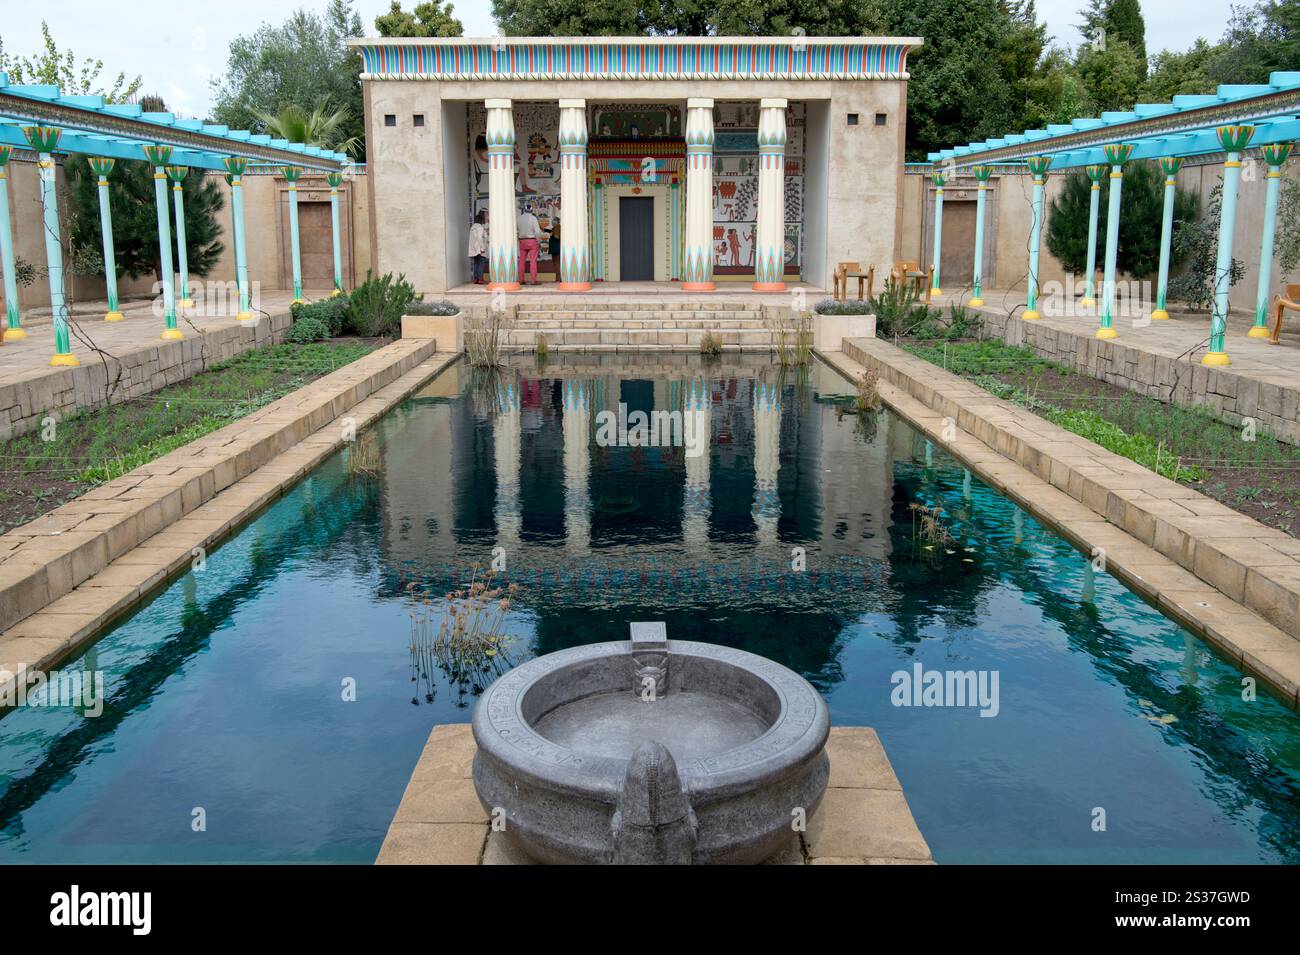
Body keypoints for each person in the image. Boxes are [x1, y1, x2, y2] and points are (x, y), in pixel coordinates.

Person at [517, 206, 542, 285]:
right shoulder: (533, 218)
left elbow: (516, 231)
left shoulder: (519, 218)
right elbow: (537, 232)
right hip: (532, 241)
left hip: (522, 241)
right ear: (531, 210)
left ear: (524, 210)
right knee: (533, 261)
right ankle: (533, 280)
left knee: (521, 261)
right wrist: (539, 241)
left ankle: (521, 280)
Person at [468, 210, 489, 285]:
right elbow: (480, 238)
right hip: (480, 248)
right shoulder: (480, 227)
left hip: (474, 249)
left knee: (476, 264)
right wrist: (482, 248)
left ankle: (476, 278)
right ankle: (480, 279)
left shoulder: (473, 227)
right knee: (481, 263)